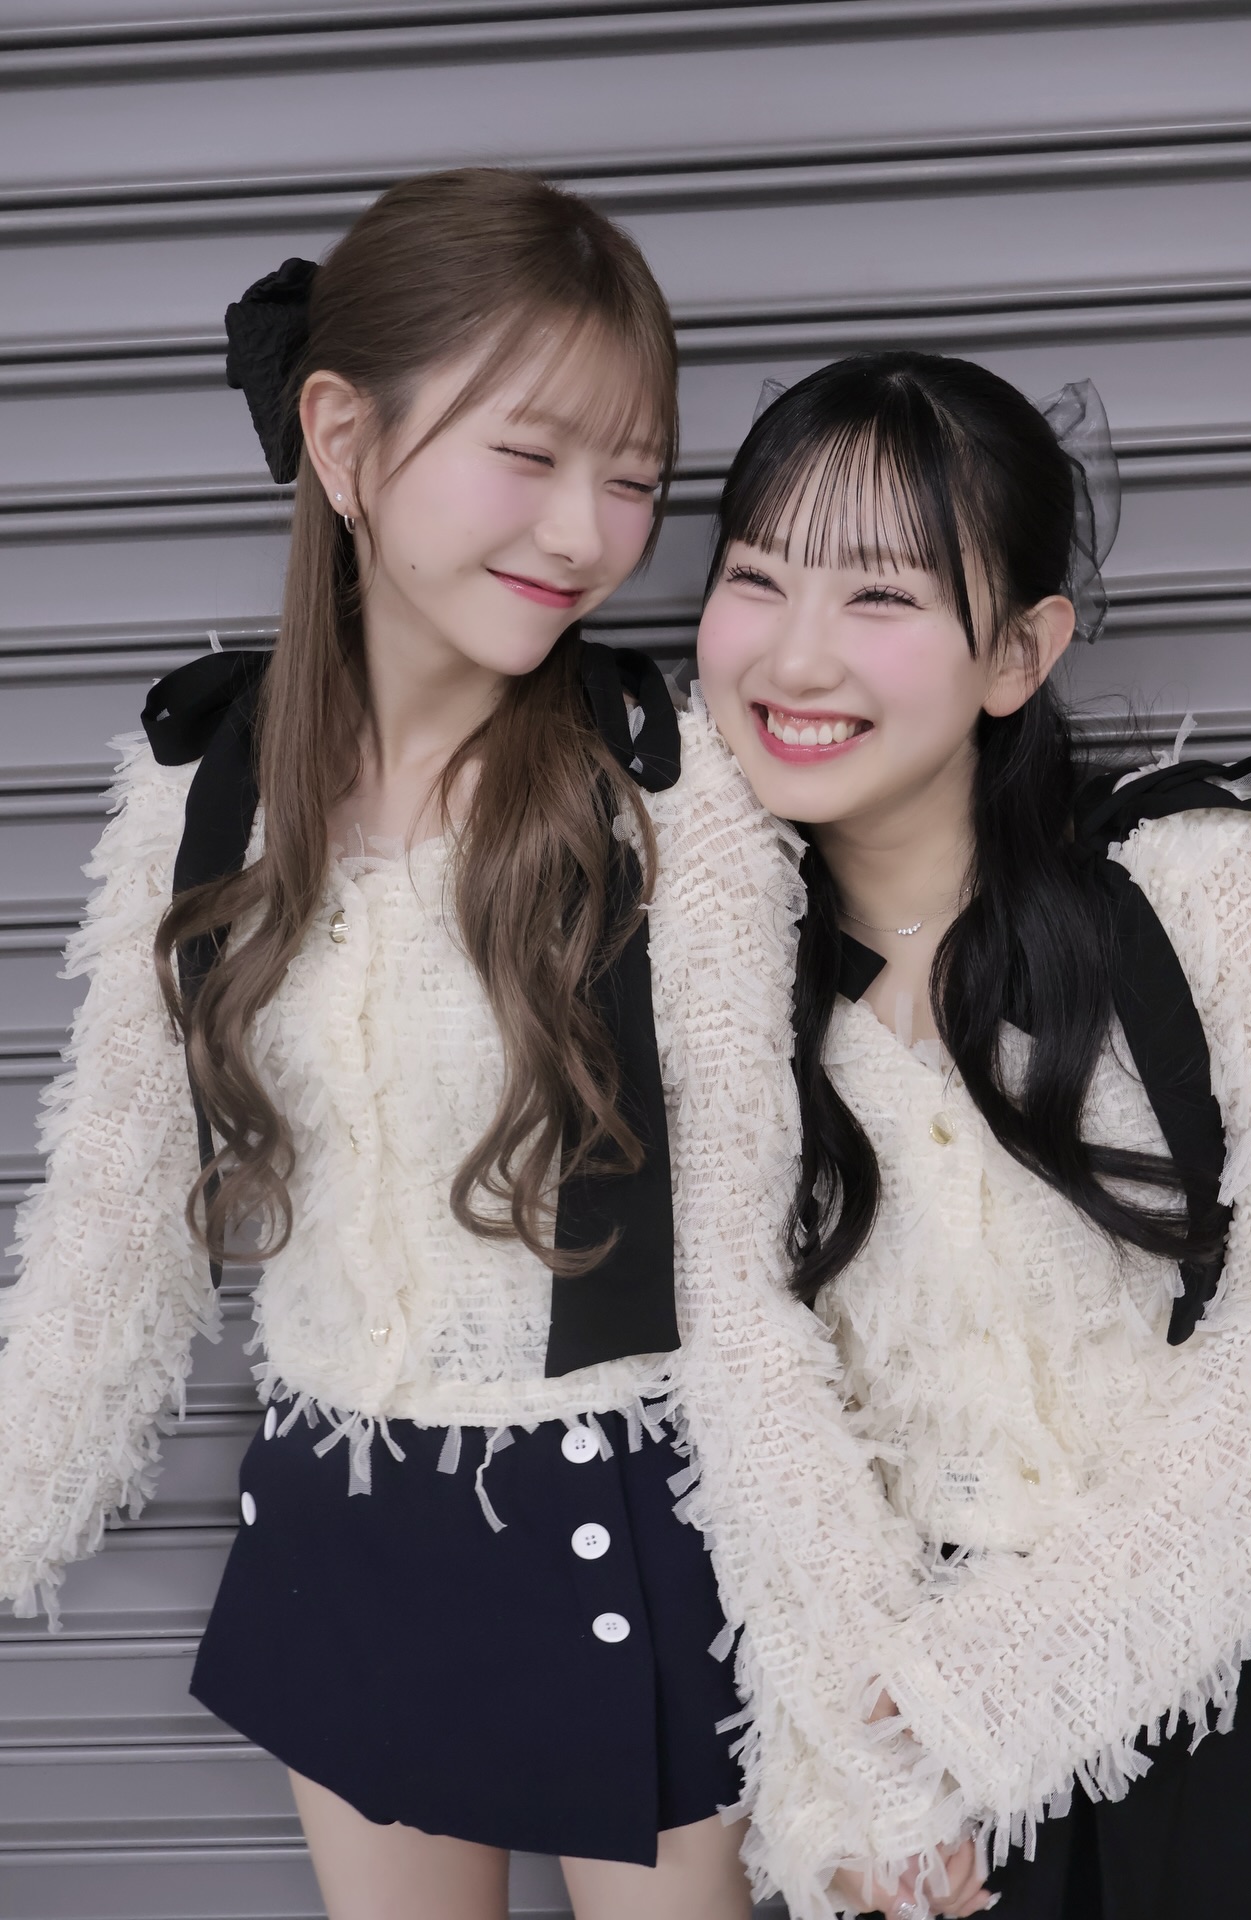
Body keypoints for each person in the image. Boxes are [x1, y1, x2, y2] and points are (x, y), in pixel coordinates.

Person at [0, 166, 787, 1920]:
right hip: (348, 1514)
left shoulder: (668, 796)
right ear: (344, 441)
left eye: (635, 476)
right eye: (530, 456)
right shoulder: (201, 791)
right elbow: (113, 1232)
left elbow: (753, 1278)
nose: (587, 534)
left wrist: (862, 1677)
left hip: (627, 1514)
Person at [693, 350, 1251, 1920]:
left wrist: (992, 1701)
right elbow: (735, 1382)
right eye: (754, 578)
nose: (796, 654)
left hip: (1215, 1708)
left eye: (879, 597)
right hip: (900, 1786)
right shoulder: (707, 971)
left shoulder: (1200, 881)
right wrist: (858, 1774)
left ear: (1018, 651)